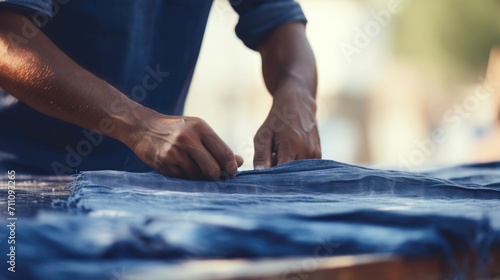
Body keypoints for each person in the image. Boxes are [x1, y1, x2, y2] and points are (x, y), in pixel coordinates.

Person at [0, 0, 321, 180]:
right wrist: (138, 125)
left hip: (146, 187)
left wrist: (297, 95)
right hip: (20, 184)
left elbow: (281, 27)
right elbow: (7, 40)